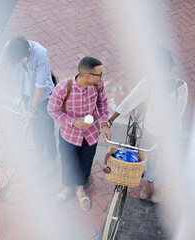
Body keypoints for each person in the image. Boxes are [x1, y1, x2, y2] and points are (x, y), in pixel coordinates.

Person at [108, 47, 188, 203]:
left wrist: (165, 136)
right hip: (151, 129)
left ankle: (163, 186)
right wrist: (110, 120)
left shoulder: (180, 87)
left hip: (170, 133)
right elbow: (130, 100)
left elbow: (177, 115)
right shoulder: (148, 82)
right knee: (151, 157)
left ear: (167, 68)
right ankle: (150, 182)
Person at [47, 57, 112, 211]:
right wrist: (73, 121)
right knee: (68, 163)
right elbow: (52, 110)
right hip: (69, 135)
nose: (102, 77)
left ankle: (80, 190)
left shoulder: (97, 85)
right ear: (87, 75)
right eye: (99, 74)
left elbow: (102, 103)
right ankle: (67, 189)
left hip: (90, 135)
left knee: (86, 162)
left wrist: (104, 124)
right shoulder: (63, 88)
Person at [0, 36, 58, 175]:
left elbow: (40, 85)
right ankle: (40, 154)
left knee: (47, 129)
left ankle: (52, 160)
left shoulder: (41, 53)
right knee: (34, 126)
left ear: (29, 50)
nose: (18, 63)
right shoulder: (9, 47)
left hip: (43, 96)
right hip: (25, 92)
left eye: (21, 60)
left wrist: (31, 109)